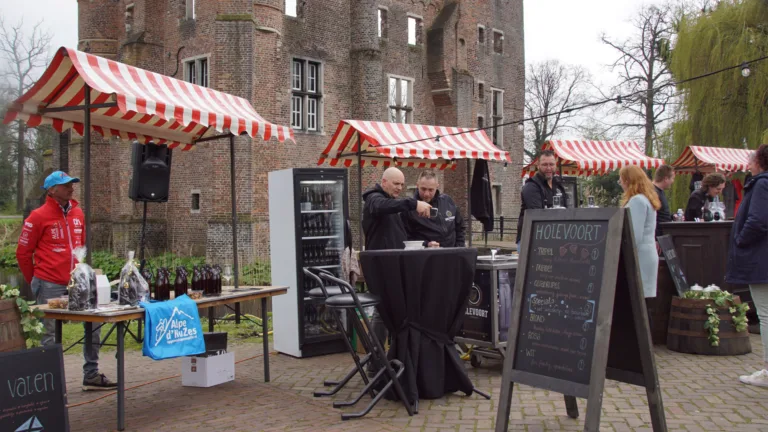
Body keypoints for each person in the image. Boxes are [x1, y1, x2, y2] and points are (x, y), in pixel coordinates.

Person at [16, 171, 117, 391]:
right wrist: (34, 279)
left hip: (78, 283)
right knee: (49, 332)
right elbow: (23, 253)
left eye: (72, 184)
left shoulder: (78, 213)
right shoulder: (37, 216)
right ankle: (49, 381)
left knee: (94, 322)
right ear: (51, 190)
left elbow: (80, 246)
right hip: (49, 282)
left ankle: (91, 373)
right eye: (65, 185)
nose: (71, 188)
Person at [726, 145, 768, 387]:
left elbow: (758, 220)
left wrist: (741, 240)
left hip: (760, 260)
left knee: (765, 314)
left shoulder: (761, 184)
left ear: (760, 162)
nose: (748, 163)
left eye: (751, 159)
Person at [362, 167, 431, 250]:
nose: (400, 188)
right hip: (381, 260)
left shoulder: (391, 202)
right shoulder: (373, 198)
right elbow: (380, 205)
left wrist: (426, 244)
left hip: (393, 258)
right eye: (396, 183)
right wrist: (414, 204)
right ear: (384, 182)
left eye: (402, 184)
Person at [619, 165, 661, 298]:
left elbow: (634, 234)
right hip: (646, 253)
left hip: (640, 255)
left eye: (621, 180)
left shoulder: (637, 200)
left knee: (639, 298)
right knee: (643, 298)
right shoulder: (646, 198)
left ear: (627, 180)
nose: (620, 183)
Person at [516, 150, 567, 250]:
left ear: (555, 165)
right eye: (544, 164)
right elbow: (538, 215)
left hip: (555, 239)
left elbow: (567, 210)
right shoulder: (531, 186)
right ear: (538, 165)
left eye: (551, 164)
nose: (548, 168)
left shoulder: (559, 186)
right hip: (531, 239)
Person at [402, 170, 465, 248]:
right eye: (423, 189)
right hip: (425, 257)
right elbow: (405, 238)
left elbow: (460, 228)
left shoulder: (447, 201)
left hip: (451, 255)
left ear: (437, 187)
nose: (426, 194)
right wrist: (426, 245)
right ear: (417, 185)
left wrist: (459, 248)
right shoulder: (409, 209)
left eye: (431, 190)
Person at [652, 165, 675, 237]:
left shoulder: (659, 191)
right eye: (672, 178)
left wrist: (672, 216)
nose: (673, 181)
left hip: (663, 234)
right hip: (658, 236)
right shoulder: (653, 193)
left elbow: (662, 213)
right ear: (666, 179)